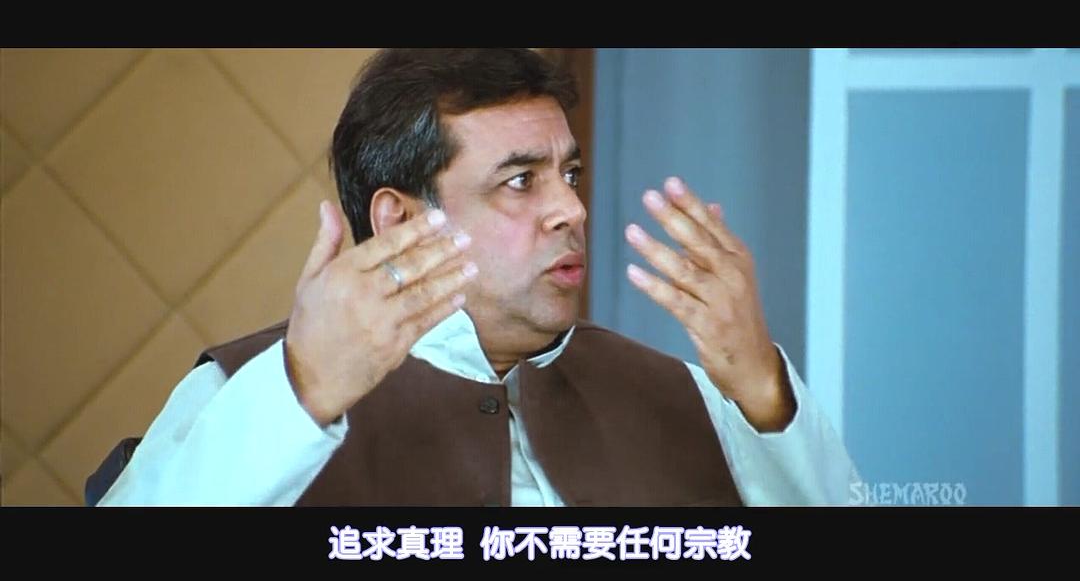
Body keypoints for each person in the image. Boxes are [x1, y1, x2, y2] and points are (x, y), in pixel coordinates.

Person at [96, 48, 859, 506]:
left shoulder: (689, 397)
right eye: (520, 182)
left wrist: (763, 392)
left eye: (570, 173)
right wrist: (301, 394)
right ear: (401, 220)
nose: (572, 209)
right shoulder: (250, 392)